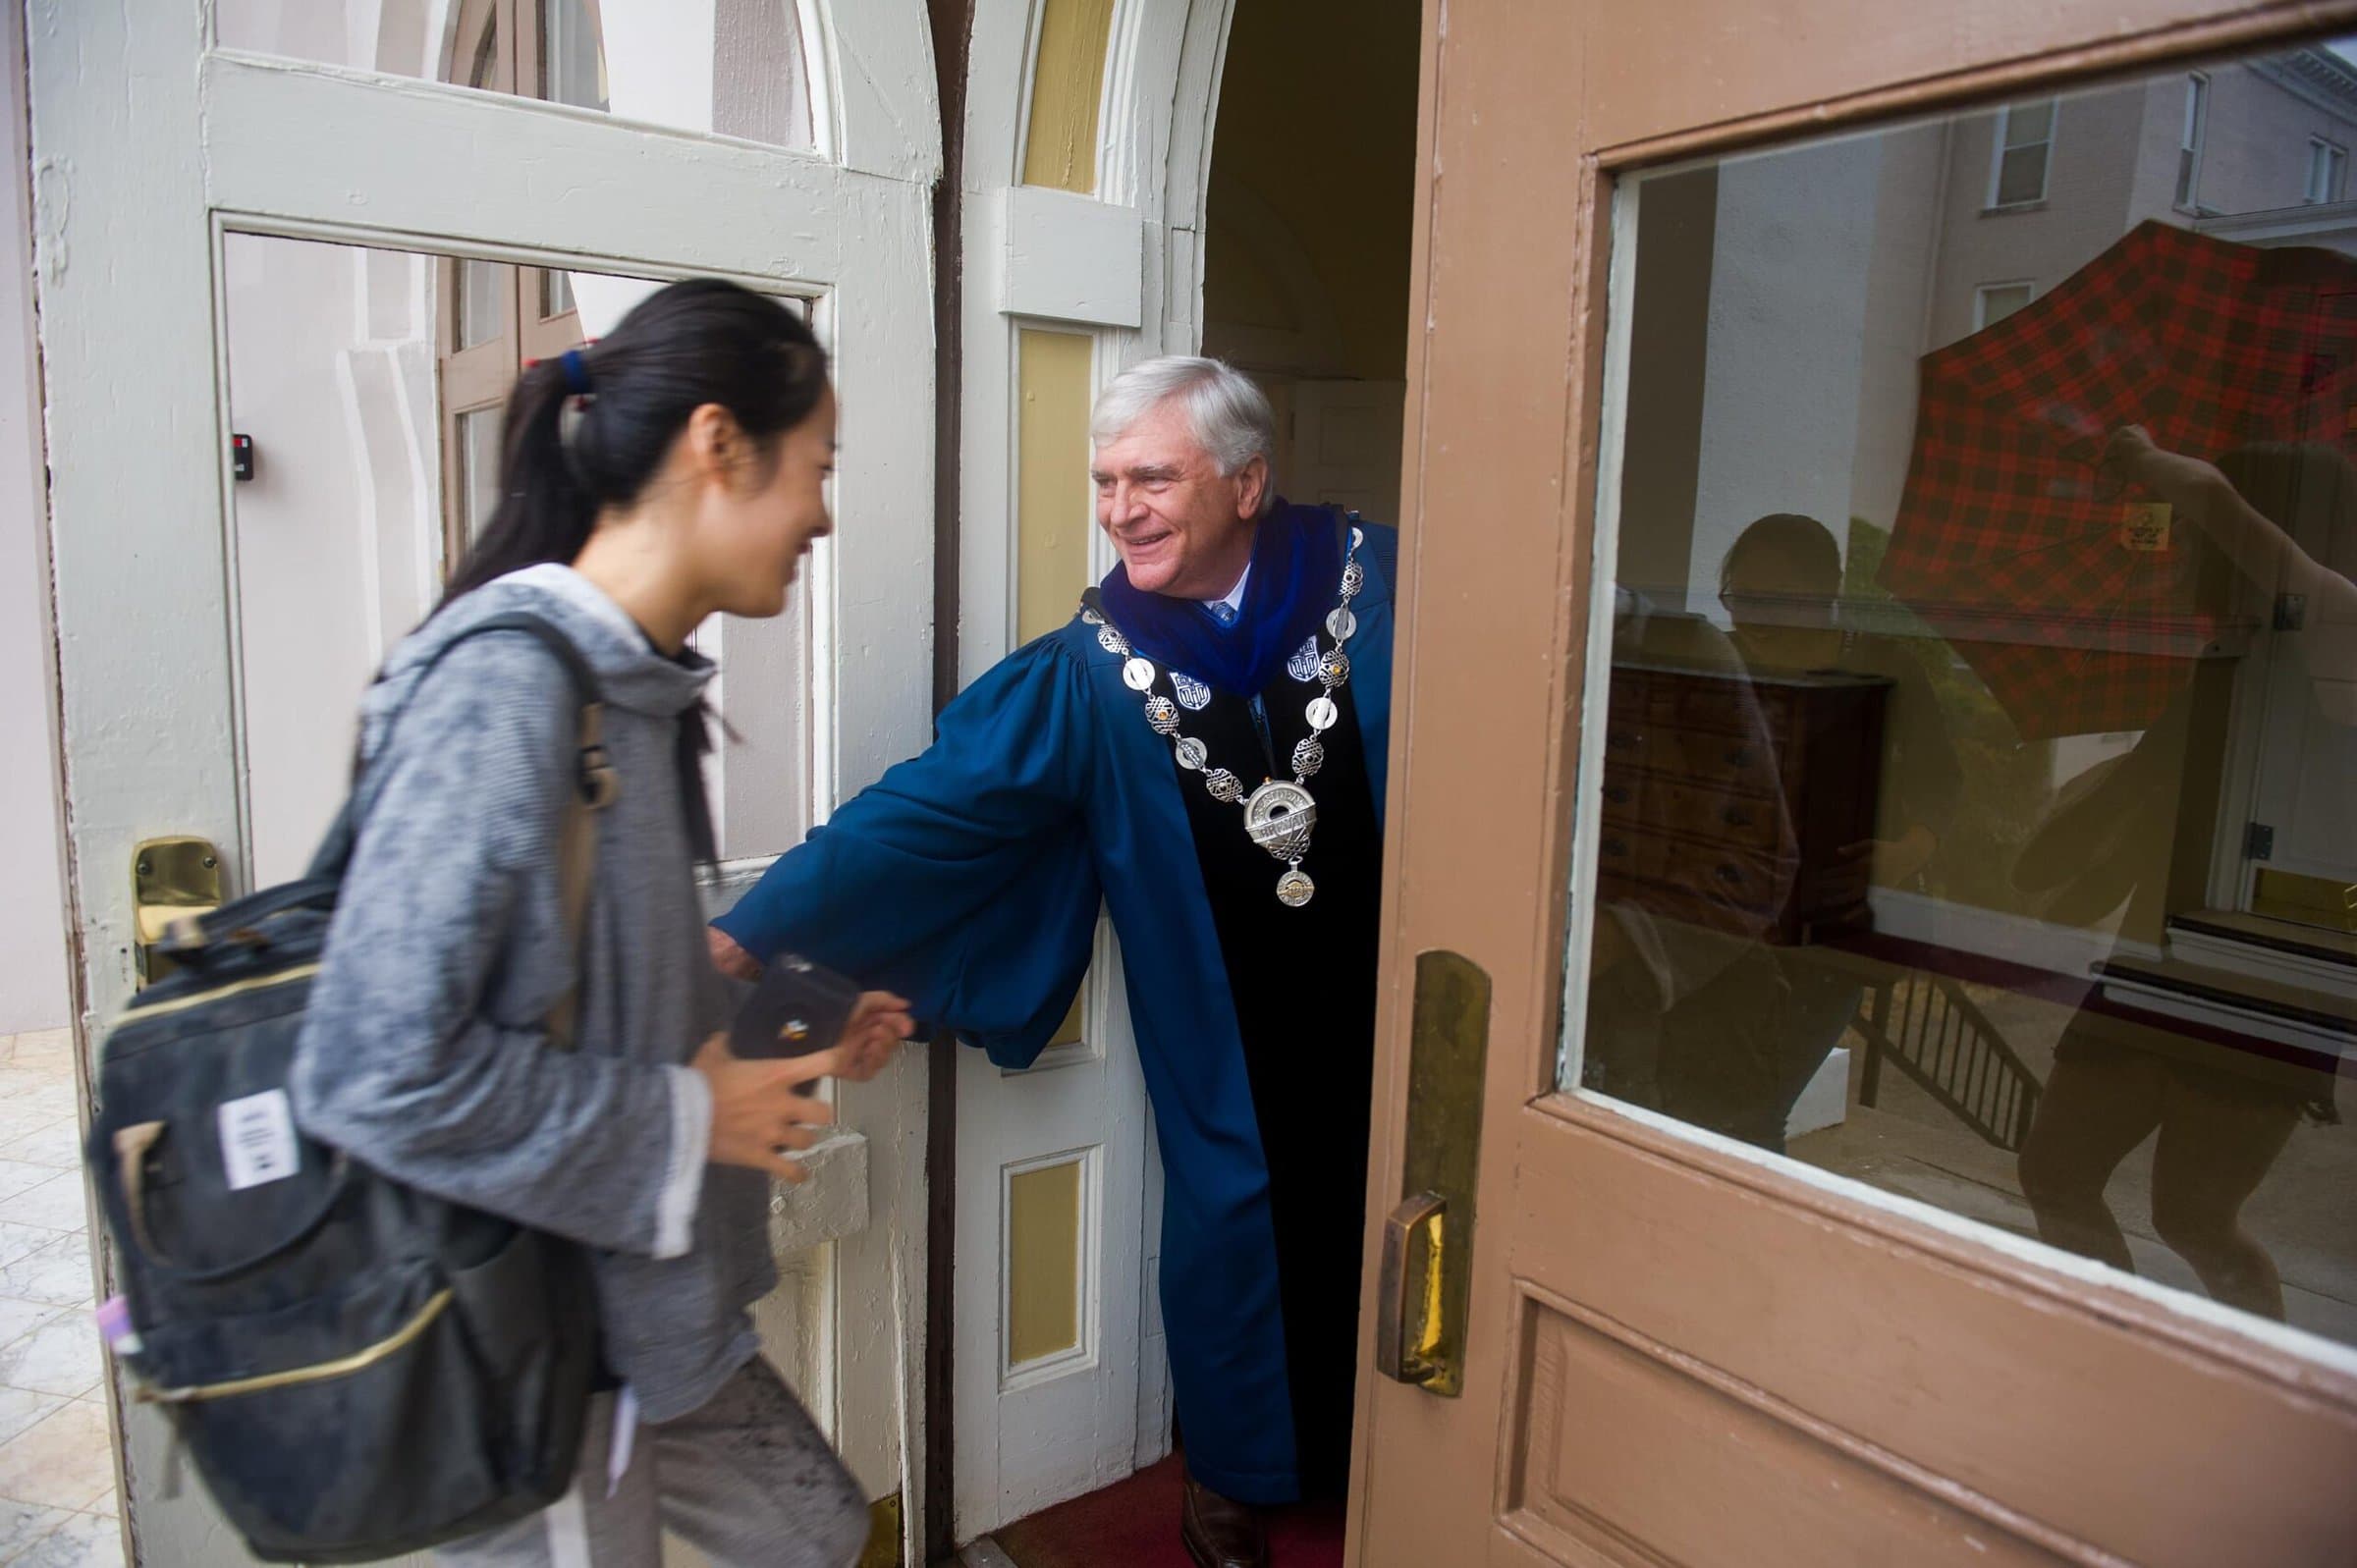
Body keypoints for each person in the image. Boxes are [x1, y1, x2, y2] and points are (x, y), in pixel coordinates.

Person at [711, 355, 1397, 1568]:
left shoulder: (1380, 586)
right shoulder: (1093, 668)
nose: (1121, 508)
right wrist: (757, 929)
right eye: (1105, 481)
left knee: (1404, 1192)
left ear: (1247, 483)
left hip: (1399, 985)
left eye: (1153, 477)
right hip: (1220, 1011)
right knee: (1237, 1214)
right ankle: (1236, 1477)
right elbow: (927, 817)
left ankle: (1400, 1447)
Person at [289, 279, 916, 1567]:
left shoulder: (627, 691)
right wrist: (695, 1116)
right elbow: (372, 1069)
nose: (823, 510)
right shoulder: (505, 693)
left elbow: (581, 987)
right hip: (543, 1352)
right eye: (817, 464)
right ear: (717, 443)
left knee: (826, 1536)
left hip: (654, 1321)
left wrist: (770, 1030)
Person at [2014, 430, 2351, 1320]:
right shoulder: (2220, 659)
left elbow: (2282, 569)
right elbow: (2139, 821)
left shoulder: (2337, 627)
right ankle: (2119, 1353)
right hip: (2157, 960)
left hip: (2266, 975)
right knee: (2055, 1172)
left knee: (2194, 1217)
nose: (2188, 551)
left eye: (2199, 538)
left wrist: (2174, 475)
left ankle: (2253, 1387)